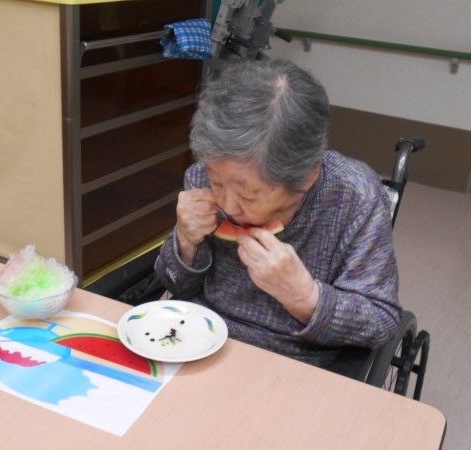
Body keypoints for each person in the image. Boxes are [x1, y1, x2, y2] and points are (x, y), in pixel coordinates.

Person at [154, 59, 401, 369]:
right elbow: (175, 286)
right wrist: (185, 243)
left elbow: (381, 320)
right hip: (198, 339)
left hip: (296, 363)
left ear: (307, 176)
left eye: (247, 193)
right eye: (217, 183)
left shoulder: (356, 197)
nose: (227, 205)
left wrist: (305, 296)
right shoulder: (203, 176)